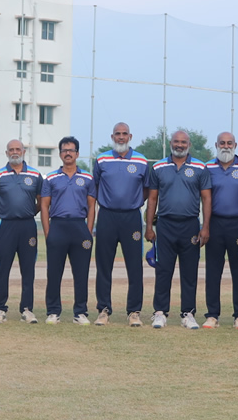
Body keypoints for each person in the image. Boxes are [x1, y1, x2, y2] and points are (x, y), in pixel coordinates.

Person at [146, 129, 211, 329]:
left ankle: (188, 313)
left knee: (189, 271)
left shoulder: (200, 167)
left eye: (183, 142)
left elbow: (206, 198)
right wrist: (148, 227)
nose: (179, 145)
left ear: (189, 145)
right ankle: (160, 312)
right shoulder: (158, 167)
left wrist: (205, 227)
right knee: (163, 270)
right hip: (165, 224)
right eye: (176, 141)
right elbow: (152, 198)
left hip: (190, 225)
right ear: (171, 143)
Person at [92, 122, 150, 326]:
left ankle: (134, 311)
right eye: (117, 134)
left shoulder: (141, 160)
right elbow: (95, 186)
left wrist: (134, 202)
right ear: (112, 136)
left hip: (131, 218)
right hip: (107, 216)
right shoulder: (102, 159)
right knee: (103, 265)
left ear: (130, 136)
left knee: (134, 266)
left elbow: (147, 189)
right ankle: (103, 310)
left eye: (124, 134)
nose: (121, 137)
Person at [203, 132, 238, 328]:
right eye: (222, 143)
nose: (225, 146)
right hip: (215, 223)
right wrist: (205, 226)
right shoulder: (207, 167)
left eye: (229, 143)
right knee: (213, 271)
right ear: (216, 145)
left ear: (235, 145)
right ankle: (212, 315)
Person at [41, 136, 94, 324]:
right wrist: (48, 233)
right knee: (54, 273)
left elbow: (91, 206)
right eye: (64, 150)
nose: (68, 153)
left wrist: (88, 231)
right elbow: (44, 206)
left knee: (81, 273)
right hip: (58, 226)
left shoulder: (87, 177)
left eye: (71, 150)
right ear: (60, 154)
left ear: (77, 154)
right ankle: (53, 311)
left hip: (79, 227)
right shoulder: (51, 178)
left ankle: (80, 312)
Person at [0, 138, 44, 323]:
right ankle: (0, 309)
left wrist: (27, 213)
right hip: (6, 226)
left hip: (28, 226)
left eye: (18, 149)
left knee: (28, 268)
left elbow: (41, 202)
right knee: (2, 268)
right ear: (6, 153)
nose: (15, 152)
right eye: (11, 149)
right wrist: (8, 212)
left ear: (24, 152)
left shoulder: (35, 175)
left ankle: (27, 309)